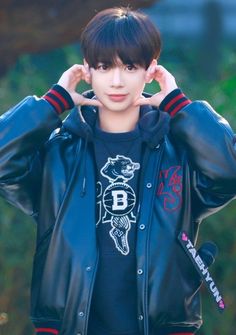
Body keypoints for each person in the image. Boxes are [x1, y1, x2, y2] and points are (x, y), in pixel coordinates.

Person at [0, 6, 235, 335]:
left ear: (150, 71)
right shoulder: (59, 155)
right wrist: (52, 102)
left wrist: (180, 107)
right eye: (103, 65)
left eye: (129, 65)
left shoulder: (178, 155)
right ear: (87, 70)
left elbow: (229, 172)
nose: (116, 80)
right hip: (68, 328)